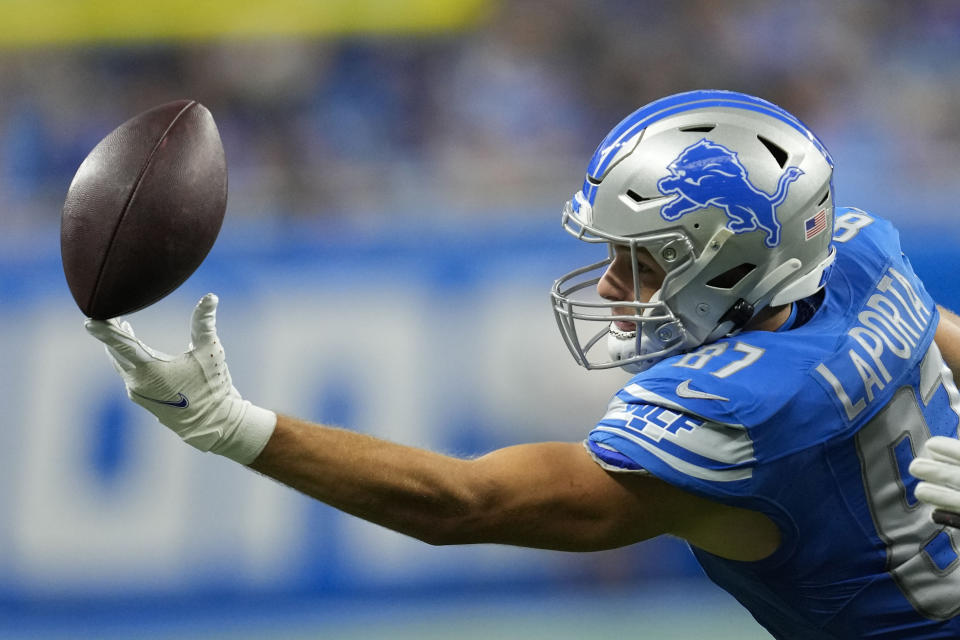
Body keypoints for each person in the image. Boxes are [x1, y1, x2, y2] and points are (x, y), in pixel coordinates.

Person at [86, 90, 960, 639]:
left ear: (737, 261)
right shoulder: (856, 255)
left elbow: (466, 504)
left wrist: (235, 427)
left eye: (646, 261)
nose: (617, 289)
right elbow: (937, 336)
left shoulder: (743, 415)